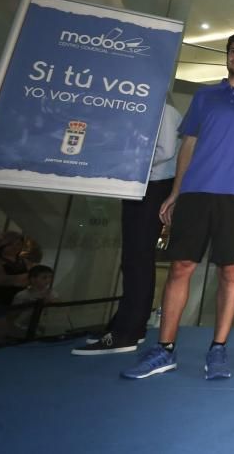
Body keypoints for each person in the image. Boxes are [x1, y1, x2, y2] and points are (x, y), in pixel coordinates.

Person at [122, 31, 234, 380]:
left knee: (230, 272)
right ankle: (164, 349)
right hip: (195, 193)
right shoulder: (205, 95)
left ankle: (218, 349)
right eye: (233, 51)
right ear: (227, 57)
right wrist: (176, 192)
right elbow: (189, 145)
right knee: (181, 267)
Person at [73, 102, 183, 355]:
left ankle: (129, 330)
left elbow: (165, 150)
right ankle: (125, 323)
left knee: (139, 258)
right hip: (138, 184)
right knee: (132, 258)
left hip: (155, 184)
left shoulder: (164, 109)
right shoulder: (143, 111)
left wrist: (128, 160)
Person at [10, 264, 59, 337]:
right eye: (44, 277)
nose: (49, 280)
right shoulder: (22, 295)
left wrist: (51, 301)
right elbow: (11, 315)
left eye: (50, 277)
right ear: (33, 279)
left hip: (43, 326)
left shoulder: (52, 293)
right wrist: (27, 305)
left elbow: (59, 308)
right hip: (22, 328)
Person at [0, 231, 29, 307]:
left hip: (19, 301)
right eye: (10, 245)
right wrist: (22, 277)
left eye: (18, 244)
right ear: (2, 245)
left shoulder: (25, 261)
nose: (15, 247)